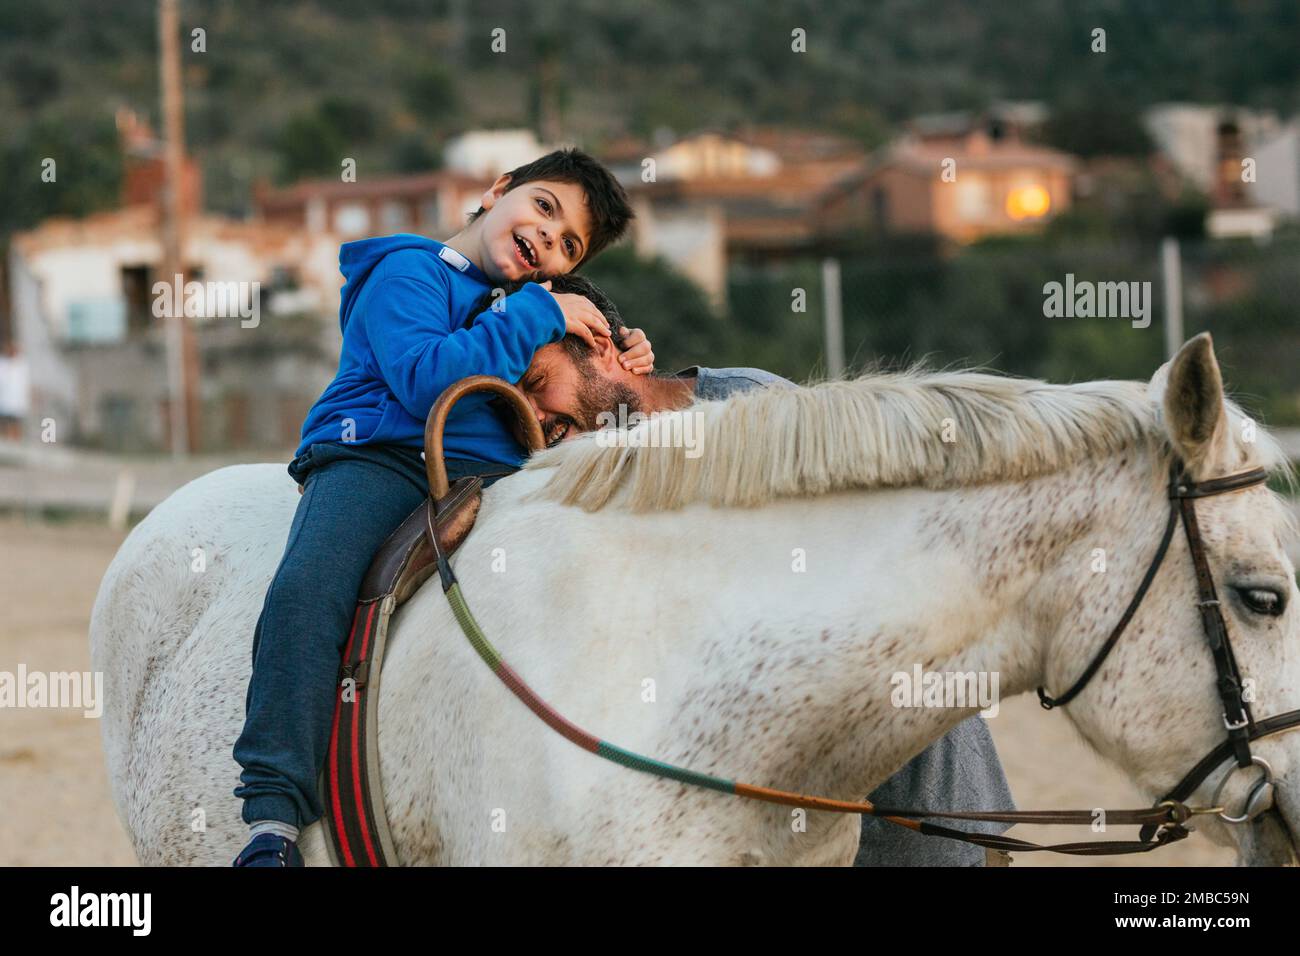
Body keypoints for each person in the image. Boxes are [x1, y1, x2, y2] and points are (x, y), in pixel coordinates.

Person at [510, 274, 1018, 865]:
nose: (534, 419)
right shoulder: (590, 477)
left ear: (601, 346)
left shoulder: (750, 405)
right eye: (516, 405)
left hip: (923, 813)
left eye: (538, 384)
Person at [231, 149, 648, 866]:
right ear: (497, 191)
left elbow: (561, 387)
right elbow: (426, 379)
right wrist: (544, 309)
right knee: (310, 588)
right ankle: (271, 815)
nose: (548, 238)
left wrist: (619, 349)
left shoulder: (531, 308)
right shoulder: (408, 271)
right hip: (381, 455)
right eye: (545, 209)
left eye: (569, 244)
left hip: (498, 471)